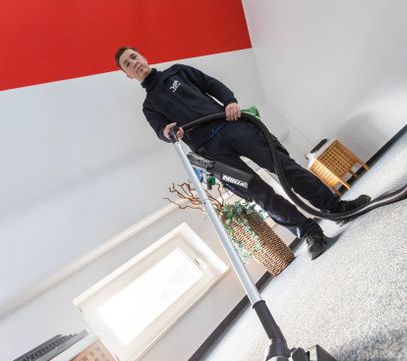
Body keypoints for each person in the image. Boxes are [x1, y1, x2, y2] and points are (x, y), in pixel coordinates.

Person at [114, 46, 371, 259]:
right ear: (128, 75)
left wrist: (230, 101)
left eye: (134, 57)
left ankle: (336, 208)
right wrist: (169, 132)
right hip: (211, 152)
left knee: (284, 167)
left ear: (143, 56)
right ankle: (310, 233)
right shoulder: (150, 106)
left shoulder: (178, 71)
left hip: (232, 127)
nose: (133, 63)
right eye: (127, 64)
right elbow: (161, 131)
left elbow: (211, 84)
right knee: (259, 193)